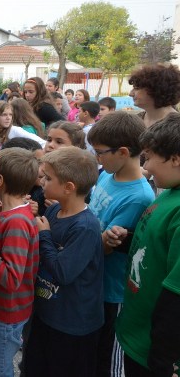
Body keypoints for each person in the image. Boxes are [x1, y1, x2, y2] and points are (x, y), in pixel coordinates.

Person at [25, 147, 103, 377]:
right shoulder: (55, 210)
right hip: (46, 313)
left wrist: (44, 235)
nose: (42, 182)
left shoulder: (86, 227)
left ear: (69, 187)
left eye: (48, 178)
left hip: (72, 324)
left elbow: (62, 272)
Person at [87, 112, 155, 377]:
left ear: (123, 152)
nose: (97, 158)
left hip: (113, 292)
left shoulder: (139, 197)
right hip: (96, 280)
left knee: (109, 359)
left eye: (100, 152)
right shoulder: (107, 174)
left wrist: (103, 241)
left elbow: (107, 247)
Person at [114, 113, 180, 377]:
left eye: (150, 157)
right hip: (137, 336)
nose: (146, 167)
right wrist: (125, 240)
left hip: (154, 354)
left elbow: (176, 297)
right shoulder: (169, 194)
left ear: (175, 159)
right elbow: (156, 248)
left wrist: (163, 361)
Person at [0, 148, 40, 377]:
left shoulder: (16, 221)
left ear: (0, 180)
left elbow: (11, 278)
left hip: (6, 313)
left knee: (0, 368)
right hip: (5, 309)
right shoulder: (12, 213)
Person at [128, 63, 180, 128]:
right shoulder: (133, 123)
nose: (130, 94)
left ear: (157, 89)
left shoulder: (176, 127)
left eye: (136, 88)